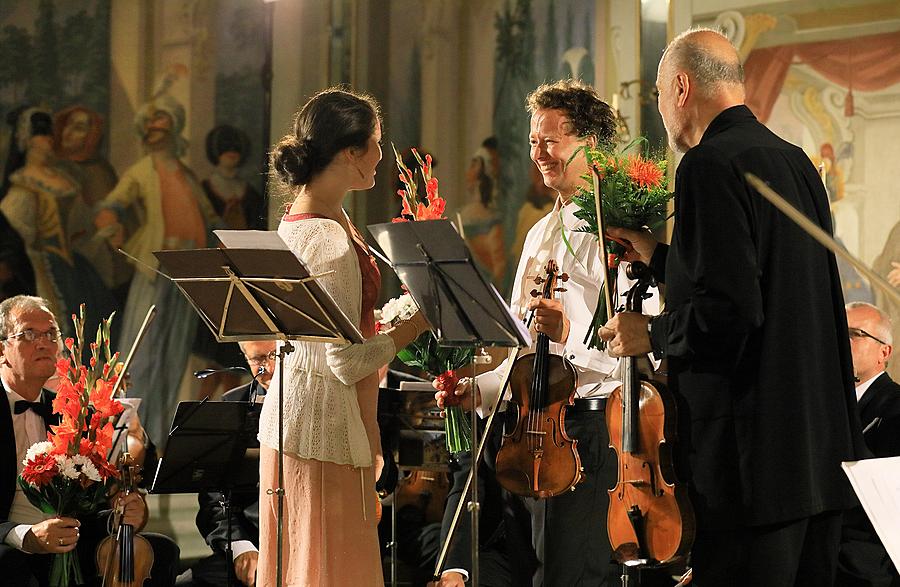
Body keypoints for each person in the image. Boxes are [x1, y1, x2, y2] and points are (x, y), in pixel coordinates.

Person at [599, 28, 865, 586]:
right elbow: (768, 288)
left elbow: (731, 314)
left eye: (655, 93)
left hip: (752, 470)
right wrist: (658, 255)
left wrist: (651, 332)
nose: (659, 108)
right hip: (818, 459)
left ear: (680, 87)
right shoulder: (794, 163)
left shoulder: (707, 164)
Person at [434, 79, 641, 586]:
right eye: (533, 140)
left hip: (590, 432)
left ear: (590, 143)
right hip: (531, 430)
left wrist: (570, 334)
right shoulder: (539, 232)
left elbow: (637, 347)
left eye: (552, 140)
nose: (539, 153)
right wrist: (477, 390)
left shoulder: (619, 226)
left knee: (574, 577)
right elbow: (522, 345)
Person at [257, 87, 430, 586]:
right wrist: (416, 323)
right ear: (351, 154)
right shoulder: (329, 239)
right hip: (321, 435)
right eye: (376, 144)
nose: (381, 155)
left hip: (298, 425)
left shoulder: (306, 219)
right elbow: (345, 363)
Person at [0, 295, 180, 586]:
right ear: (2, 349)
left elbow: (90, 500)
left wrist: (124, 511)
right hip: (10, 540)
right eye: (29, 334)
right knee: (9, 565)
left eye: (51, 334)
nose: (43, 343)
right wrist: (25, 536)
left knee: (160, 550)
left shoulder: (71, 411)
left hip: (66, 539)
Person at [94, 94, 220, 448]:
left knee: (173, 357)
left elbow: (210, 218)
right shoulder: (141, 170)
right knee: (144, 355)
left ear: (173, 128)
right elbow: (111, 205)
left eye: (161, 123)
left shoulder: (186, 174)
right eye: (150, 125)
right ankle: (128, 440)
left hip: (185, 275)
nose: (155, 130)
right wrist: (110, 227)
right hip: (156, 270)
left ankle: (160, 439)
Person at [0, 105, 118, 341]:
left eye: (49, 133)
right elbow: (14, 236)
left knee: (95, 326)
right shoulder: (22, 185)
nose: (49, 139)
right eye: (43, 134)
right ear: (28, 140)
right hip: (42, 268)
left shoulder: (64, 177)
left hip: (73, 267)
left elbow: (81, 222)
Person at [177, 340, 276, 587]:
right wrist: (241, 548)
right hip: (252, 545)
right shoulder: (232, 405)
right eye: (257, 360)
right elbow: (213, 501)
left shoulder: (321, 405)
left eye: (274, 355)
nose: (268, 368)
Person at [837, 302, 900, 586]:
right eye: (837, 330)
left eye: (854, 333)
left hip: (868, 570)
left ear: (884, 352)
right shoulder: (817, 406)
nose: (840, 339)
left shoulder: (896, 407)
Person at [459, 143, 506, 284]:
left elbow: (499, 266)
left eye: (473, 164)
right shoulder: (466, 213)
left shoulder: (489, 219)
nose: (468, 171)